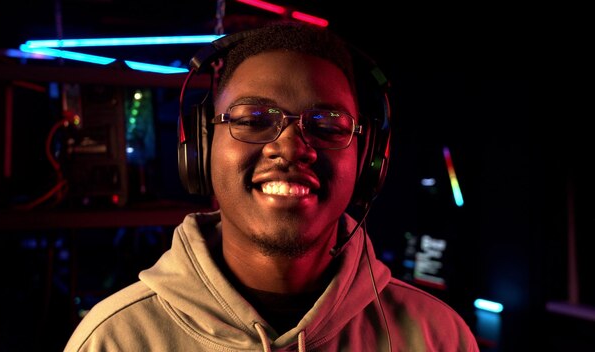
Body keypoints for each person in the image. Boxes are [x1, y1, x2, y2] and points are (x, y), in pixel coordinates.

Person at [64, 21, 479, 351]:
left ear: (368, 160)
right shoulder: (114, 340)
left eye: (327, 125)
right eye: (253, 119)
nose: (290, 148)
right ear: (202, 144)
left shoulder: (437, 337)